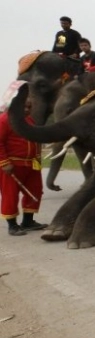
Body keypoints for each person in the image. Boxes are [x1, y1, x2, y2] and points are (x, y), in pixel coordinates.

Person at [0, 98, 47, 236]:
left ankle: (28, 222)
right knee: (10, 195)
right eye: (24, 107)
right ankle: (12, 225)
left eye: (29, 107)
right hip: (12, 165)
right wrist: (4, 163)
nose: (27, 110)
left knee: (35, 191)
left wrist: (37, 159)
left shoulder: (29, 121)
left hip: (31, 164)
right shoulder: (4, 120)